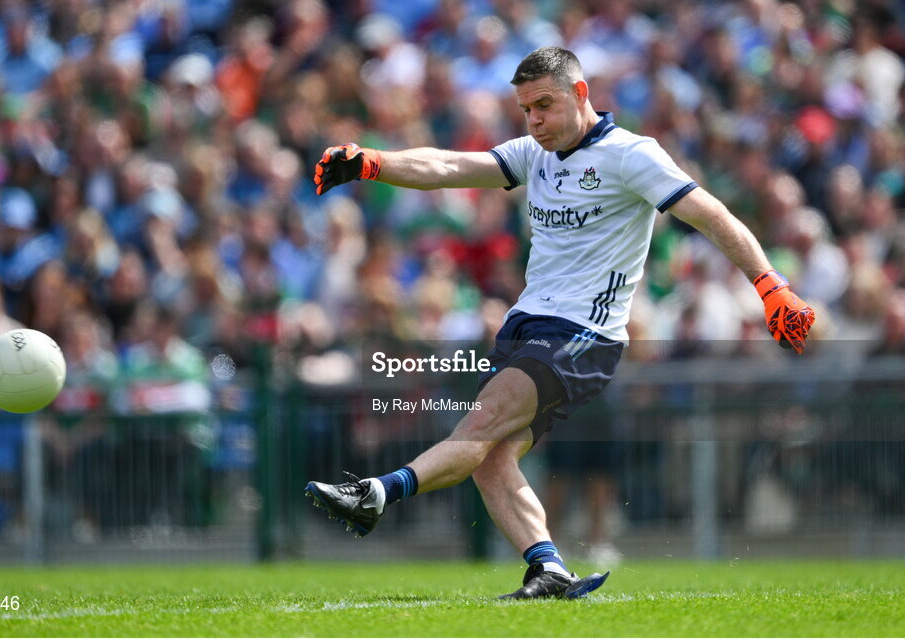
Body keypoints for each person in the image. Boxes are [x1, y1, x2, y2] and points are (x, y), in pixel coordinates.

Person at [304, 47, 815, 600]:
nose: (535, 120)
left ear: (580, 93)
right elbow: (450, 167)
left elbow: (712, 214)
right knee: (491, 458)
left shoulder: (631, 155)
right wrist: (373, 162)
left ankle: (376, 492)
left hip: (583, 336)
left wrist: (771, 285)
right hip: (528, 324)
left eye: (545, 105)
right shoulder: (534, 154)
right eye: (526, 109)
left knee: (480, 425)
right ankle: (548, 569)